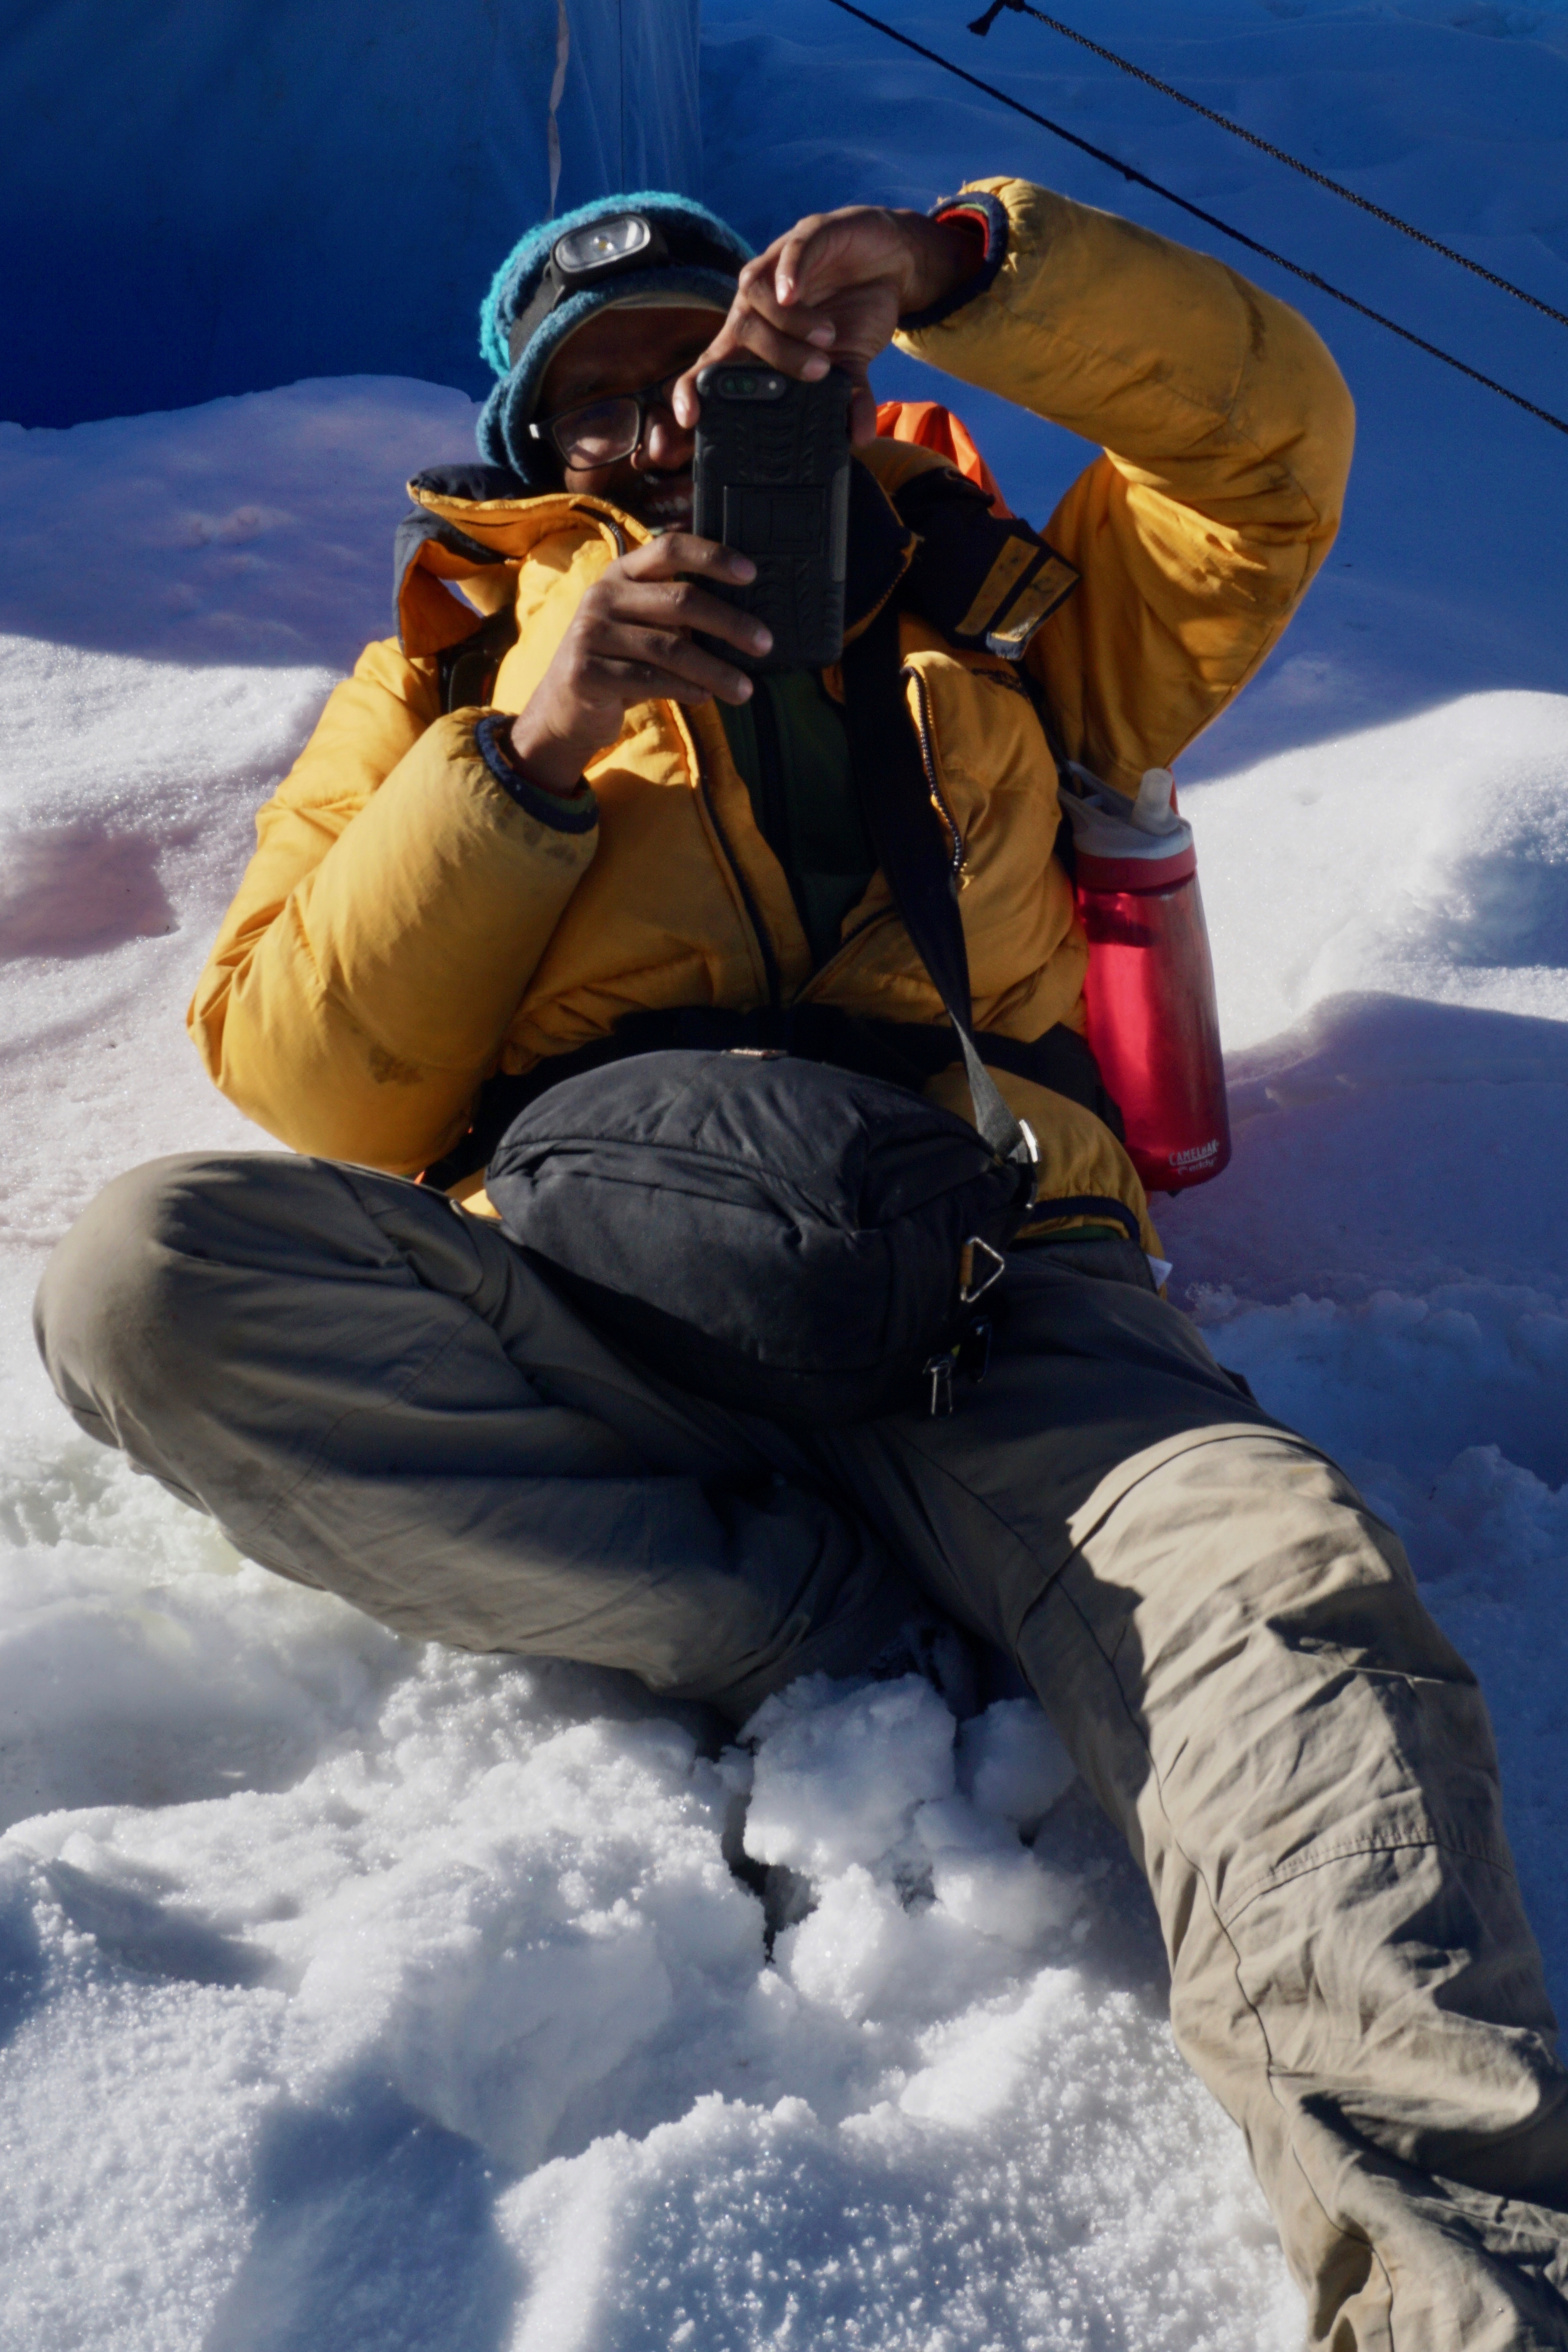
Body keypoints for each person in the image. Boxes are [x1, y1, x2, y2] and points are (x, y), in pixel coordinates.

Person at [34, 178, 1568, 2344]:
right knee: (144, 1279)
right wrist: (528, 751)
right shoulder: (453, 665)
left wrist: (972, 272)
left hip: (998, 1288)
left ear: (811, 370)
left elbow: (1267, 451)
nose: (662, 428)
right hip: (598, 1296)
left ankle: (1459, 2294)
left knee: (1272, 1602)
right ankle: (799, 1623)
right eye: (600, 398)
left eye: (705, 367)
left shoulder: (1007, 616)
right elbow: (313, 1082)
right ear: (533, 447)